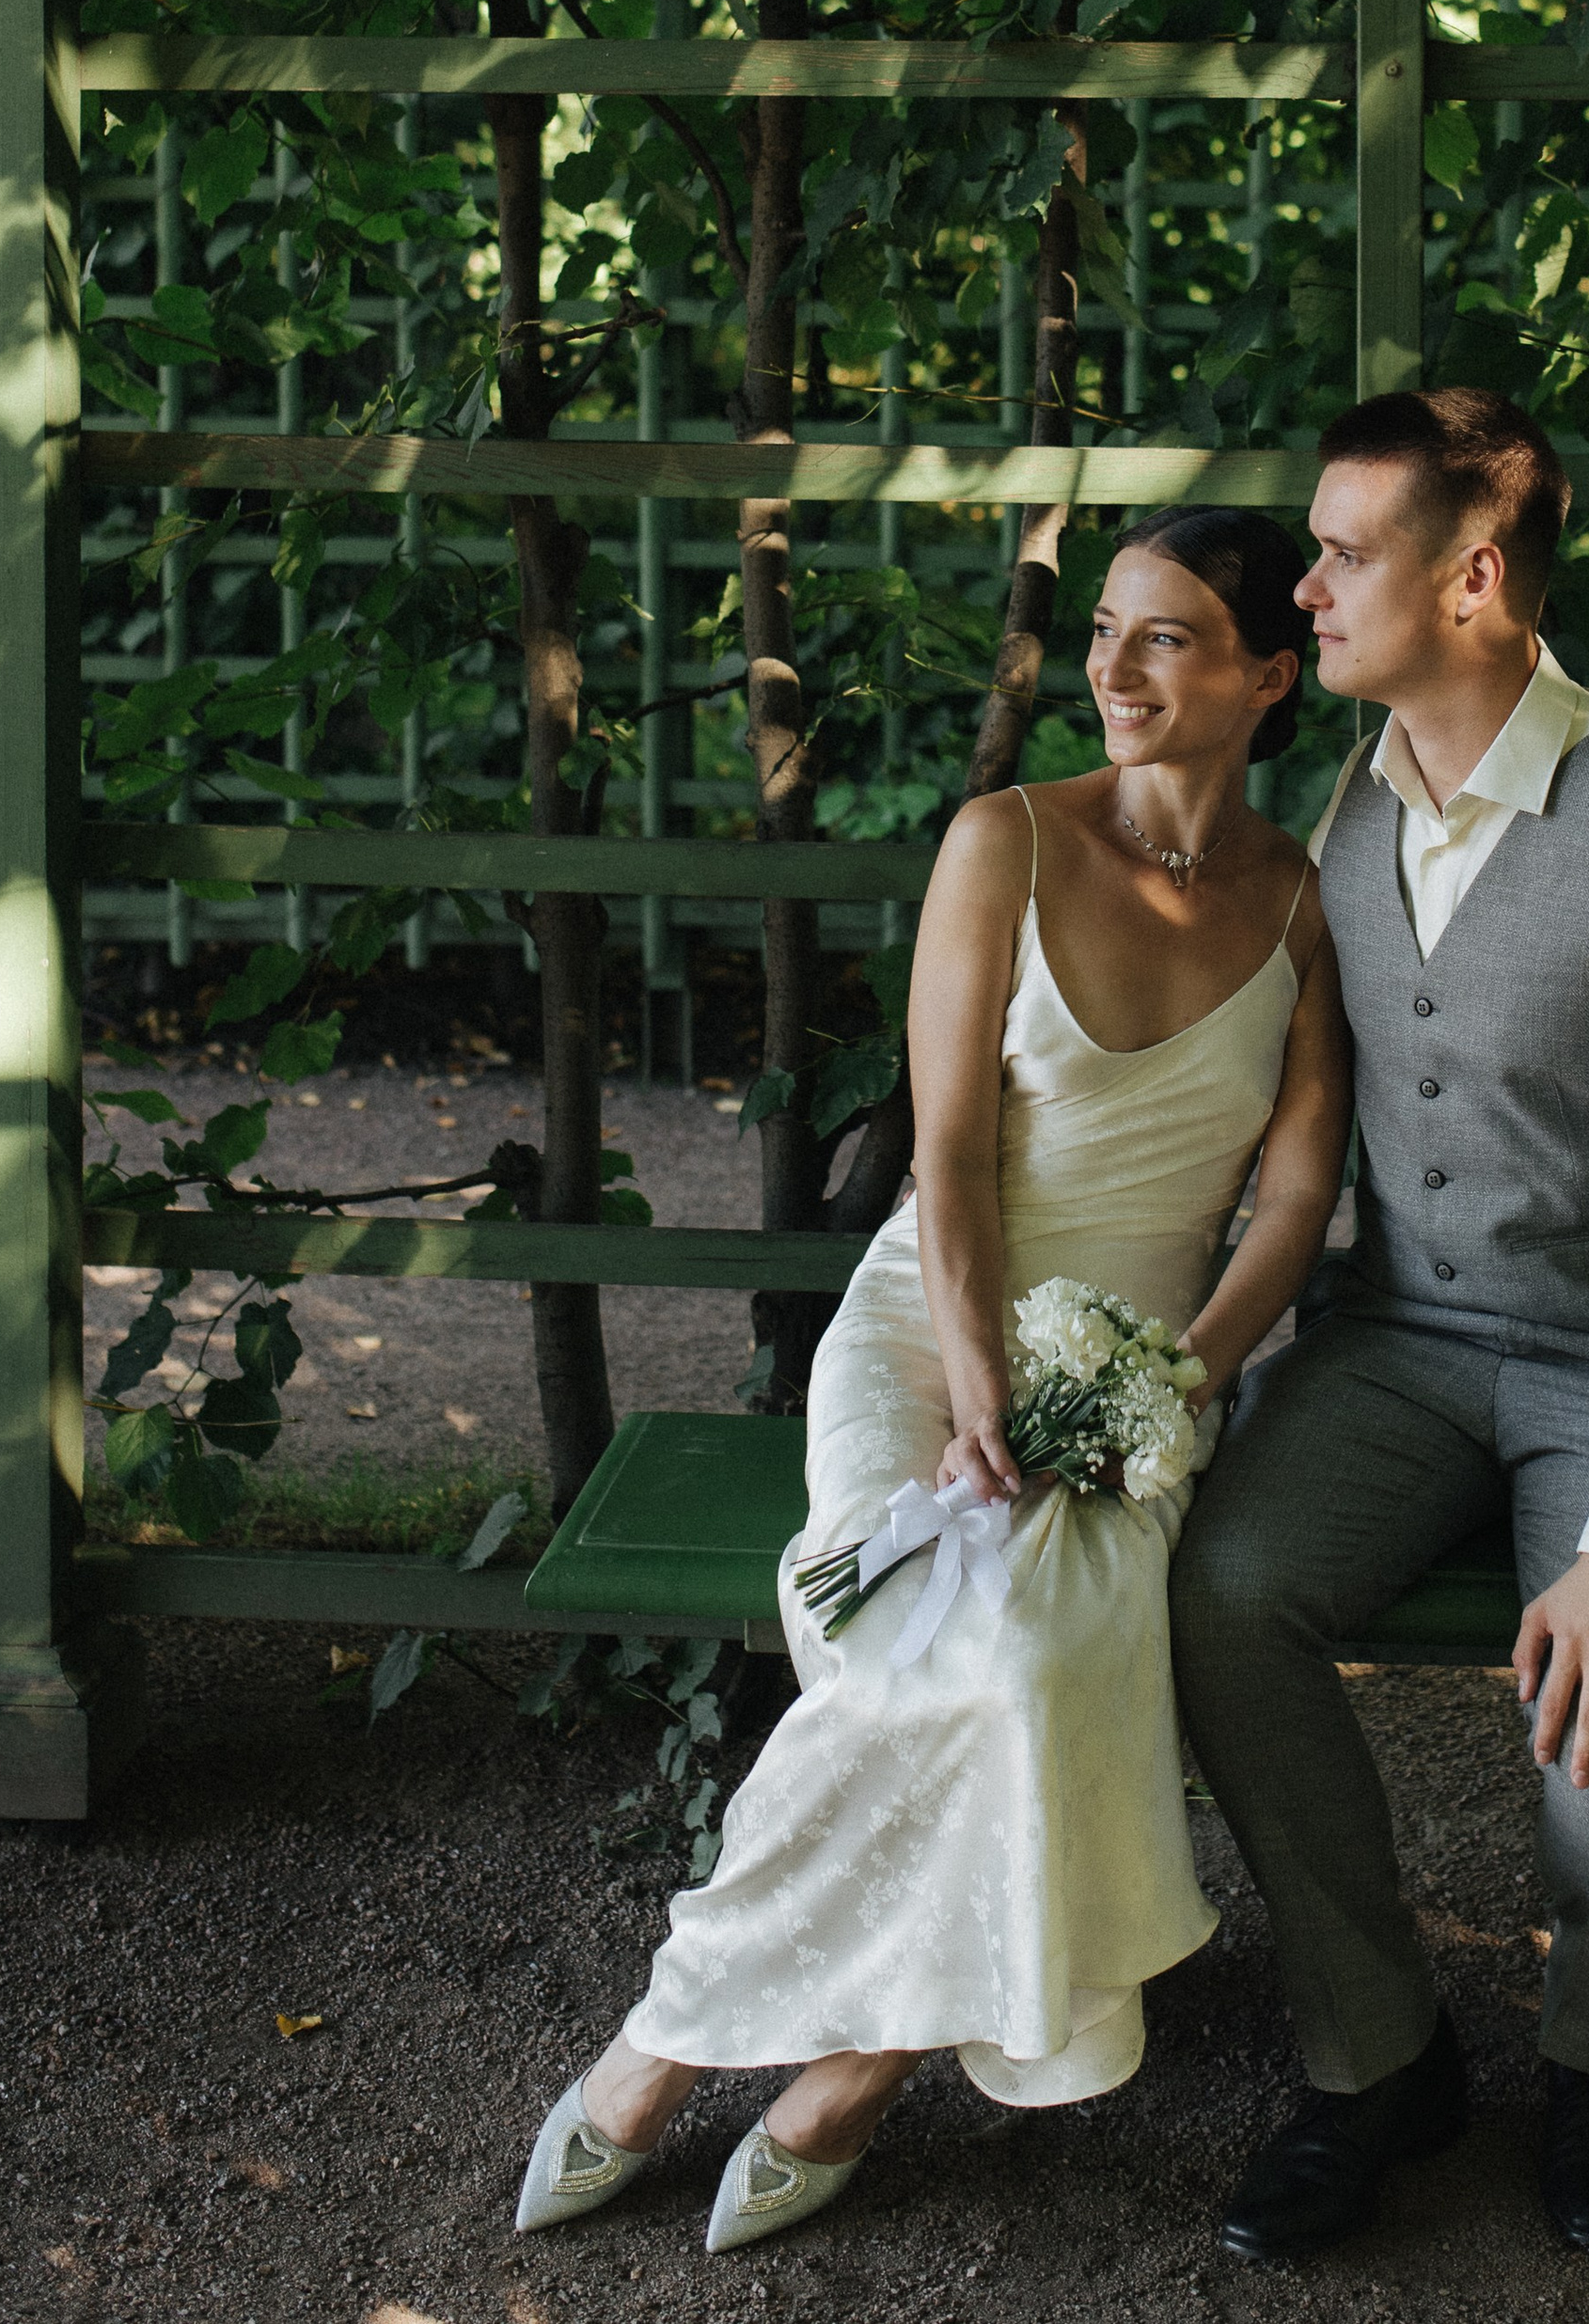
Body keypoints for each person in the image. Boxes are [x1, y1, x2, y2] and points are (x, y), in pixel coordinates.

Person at [513, 507, 1349, 2256]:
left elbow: (1291, 1196)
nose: (1112, 668)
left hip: (1142, 1380)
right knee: (903, 1639)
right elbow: (950, 1156)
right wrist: (979, 1391)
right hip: (924, 1331)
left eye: (1169, 638)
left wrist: (1169, 1384)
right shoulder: (1003, 844)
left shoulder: (1308, 901)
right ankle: (733, 2046)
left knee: (1034, 1655)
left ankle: (775, 2057)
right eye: (1107, 627)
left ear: (1273, 673)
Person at [1172, 386, 1589, 2265]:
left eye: (1340, 553)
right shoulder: (1355, 783)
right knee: (1219, 1592)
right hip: (1404, 1342)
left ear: (1470, 578)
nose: (1300, 587)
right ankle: (1372, 2056)